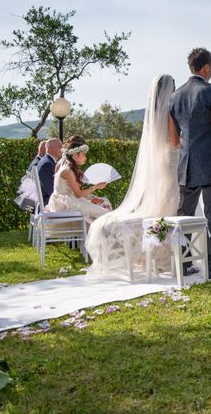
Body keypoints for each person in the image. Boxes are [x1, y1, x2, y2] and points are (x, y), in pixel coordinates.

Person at [85, 74, 181, 278]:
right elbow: (174, 142)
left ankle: (151, 253)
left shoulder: (152, 114)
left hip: (159, 164)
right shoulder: (170, 111)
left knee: (159, 206)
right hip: (171, 162)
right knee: (168, 208)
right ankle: (163, 254)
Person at [170, 47, 211, 279]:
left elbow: (177, 134)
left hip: (186, 164)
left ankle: (184, 262)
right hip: (210, 163)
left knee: (185, 214)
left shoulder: (175, 96)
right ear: (206, 67)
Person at [46, 136, 110, 224]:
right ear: (75, 155)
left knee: (103, 206)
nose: (86, 158)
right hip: (64, 205)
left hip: (69, 200)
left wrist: (90, 199)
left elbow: (76, 193)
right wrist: (96, 187)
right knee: (105, 213)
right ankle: (102, 235)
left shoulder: (70, 169)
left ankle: (99, 234)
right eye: (84, 155)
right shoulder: (68, 171)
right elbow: (78, 194)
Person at [36, 138, 62, 207]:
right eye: (60, 146)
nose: (62, 149)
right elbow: (51, 190)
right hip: (49, 203)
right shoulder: (47, 164)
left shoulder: (49, 161)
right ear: (50, 148)